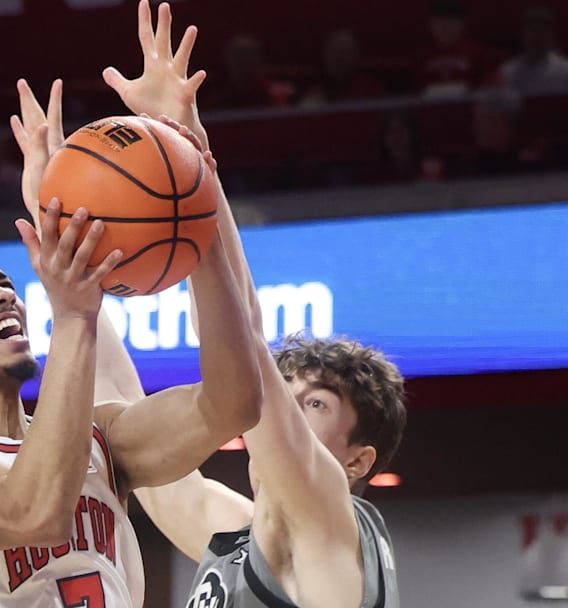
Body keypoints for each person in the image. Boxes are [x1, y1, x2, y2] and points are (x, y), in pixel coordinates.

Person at [0, 79, 263, 606]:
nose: (2, 294)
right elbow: (32, 514)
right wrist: (74, 316)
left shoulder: (100, 439)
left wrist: (194, 215)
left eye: (4, 282)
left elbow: (233, 403)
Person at [104, 2, 407, 606]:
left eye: (314, 403)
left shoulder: (330, 524)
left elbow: (243, 343)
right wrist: (74, 284)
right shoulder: (239, 538)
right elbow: (121, 420)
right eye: (290, 392)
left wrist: (190, 159)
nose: (285, 410)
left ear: (357, 461)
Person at [497, 5, 568, 95]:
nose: (537, 36)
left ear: (551, 35)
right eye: (532, 30)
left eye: (542, 31)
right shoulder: (507, 72)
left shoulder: (565, 71)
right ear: (523, 34)